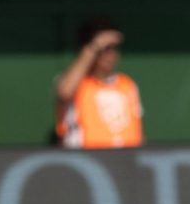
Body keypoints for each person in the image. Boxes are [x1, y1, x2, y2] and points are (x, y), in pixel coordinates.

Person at [56, 17, 143, 149]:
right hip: (87, 162)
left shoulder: (127, 84)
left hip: (126, 162)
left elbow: (137, 129)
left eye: (113, 48)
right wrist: (94, 46)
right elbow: (64, 91)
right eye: (104, 49)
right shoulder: (77, 83)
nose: (109, 54)